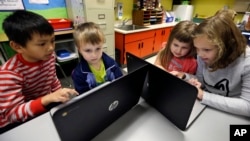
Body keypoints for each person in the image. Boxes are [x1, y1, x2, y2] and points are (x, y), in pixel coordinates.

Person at [0, 10, 79, 132]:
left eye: (52, 40)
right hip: (18, 122)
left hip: (45, 105)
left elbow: (52, 79)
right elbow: (12, 115)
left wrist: (61, 93)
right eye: (42, 44)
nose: (51, 48)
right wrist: (46, 99)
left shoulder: (49, 56)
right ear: (17, 46)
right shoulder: (9, 74)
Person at [181, 14, 250, 117]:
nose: (199, 54)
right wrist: (185, 76)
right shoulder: (203, 55)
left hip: (233, 114)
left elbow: (247, 106)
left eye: (207, 50)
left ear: (227, 46)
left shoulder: (246, 62)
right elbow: (201, 81)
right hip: (207, 107)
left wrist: (203, 95)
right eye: (197, 48)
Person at [72, 22, 123, 94]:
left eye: (98, 49)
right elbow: (83, 98)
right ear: (79, 49)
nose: (94, 55)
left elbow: (120, 81)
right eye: (88, 50)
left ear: (102, 45)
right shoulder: (78, 74)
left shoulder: (112, 64)